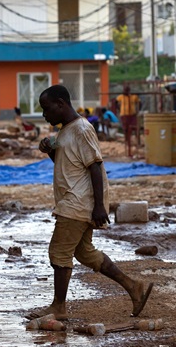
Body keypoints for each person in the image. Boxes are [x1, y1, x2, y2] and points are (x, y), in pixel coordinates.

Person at [31, 84, 153, 320]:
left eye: (46, 109)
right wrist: (49, 151)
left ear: (60, 104)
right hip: (74, 201)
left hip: (77, 203)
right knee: (84, 252)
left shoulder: (82, 129)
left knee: (59, 252)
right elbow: (68, 162)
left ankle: (58, 307)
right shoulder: (66, 130)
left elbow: (95, 166)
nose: (44, 115)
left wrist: (99, 206)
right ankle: (133, 287)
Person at [115, 85, 140, 157]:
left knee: (134, 128)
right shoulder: (121, 97)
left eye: (126, 90)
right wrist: (119, 109)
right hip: (124, 115)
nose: (125, 92)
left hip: (132, 115)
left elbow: (139, 102)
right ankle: (127, 142)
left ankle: (136, 142)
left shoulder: (133, 97)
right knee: (126, 129)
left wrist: (138, 110)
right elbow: (116, 102)